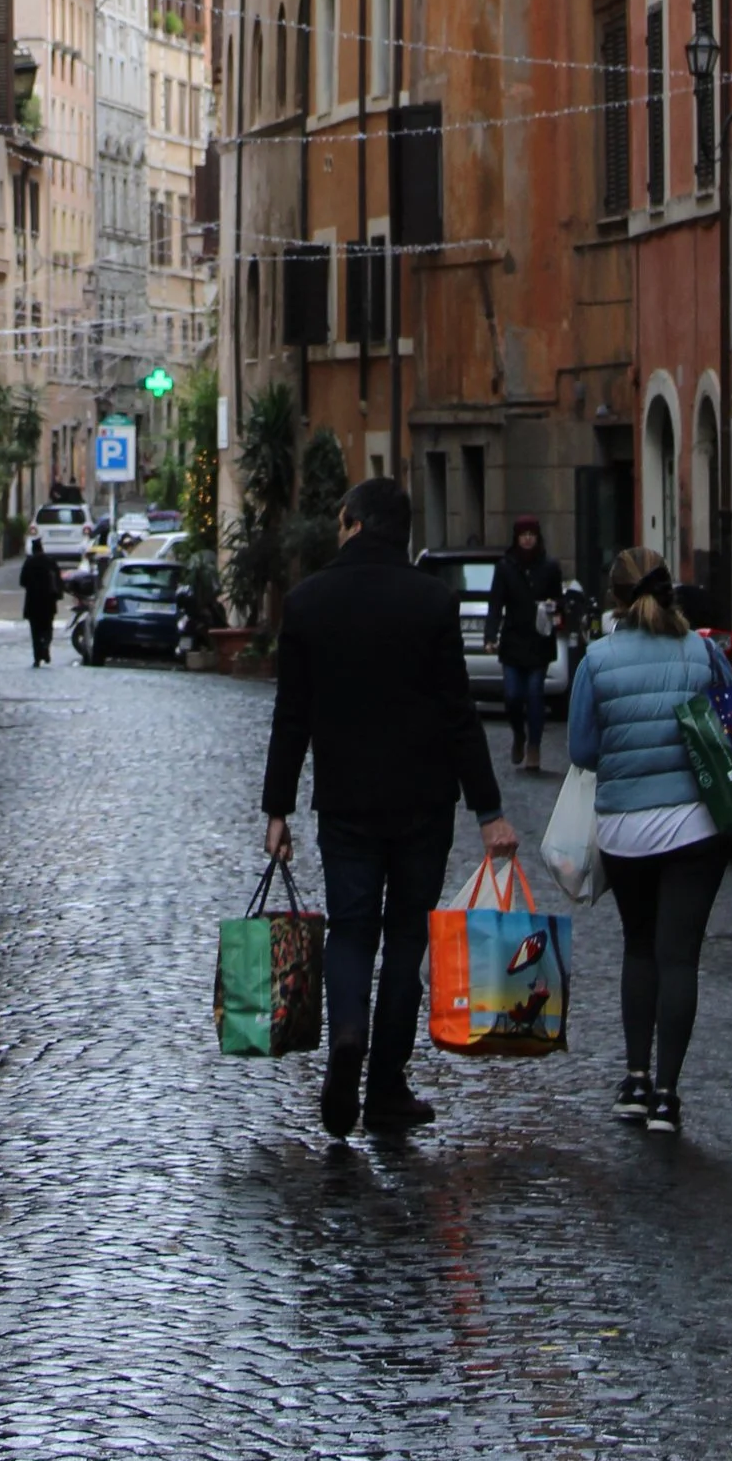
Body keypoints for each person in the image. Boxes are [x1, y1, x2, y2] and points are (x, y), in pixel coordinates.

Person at [262, 474, 517, 1142]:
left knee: (352, 929)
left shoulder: (308, 602)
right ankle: (386, 1086)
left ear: (350, 521)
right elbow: (459, 715)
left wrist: (277, 809)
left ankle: (347, 1032)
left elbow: (292, 717)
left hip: (345, 798)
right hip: (423, 799)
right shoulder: (431, 602)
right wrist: (488, 809)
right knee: (406, 939)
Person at [565, 550, 731, 1134]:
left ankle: (634, 1080)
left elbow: (583, 750)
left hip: (624, 828)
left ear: (615, 597)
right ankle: (667, 1095)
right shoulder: (703, 652)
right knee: (679, 957)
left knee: (639, 947)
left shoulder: (598, 660)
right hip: (695, 826)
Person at [490, 512, 563, 776]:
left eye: (531, 535)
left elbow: (560, 600)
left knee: (534, 695)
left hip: (539, 641)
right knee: (512, 696)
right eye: (523, 535)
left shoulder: (550, 566)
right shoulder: (506, 567)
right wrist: (490, 635)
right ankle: (519, 735)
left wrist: (554, 608)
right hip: (512, 641)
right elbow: (496, 603)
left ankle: (534, 746)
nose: (528, 539)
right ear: (516, 538)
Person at [19, 533, 63, 668]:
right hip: (48, 602)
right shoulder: (51, 562)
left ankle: (37, 657)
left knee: (35, 632)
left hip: (33, 603)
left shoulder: (29, 563)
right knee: (48, 628)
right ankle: (45, 646)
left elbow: (22, 581)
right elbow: (59, 581)